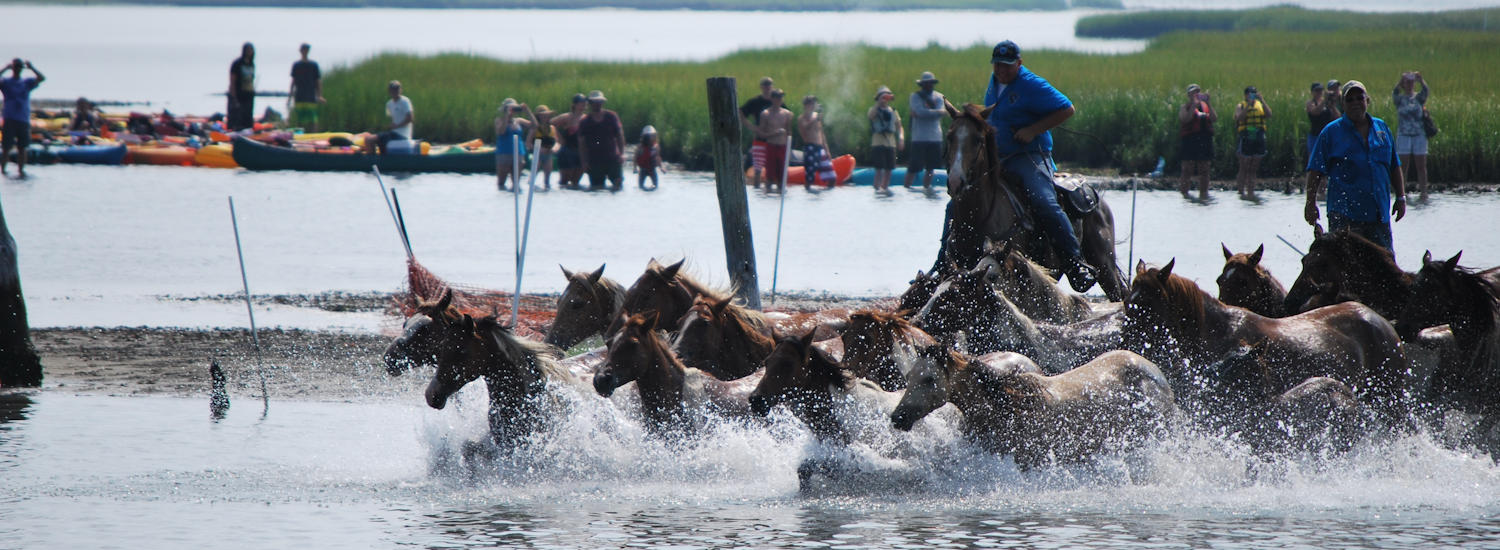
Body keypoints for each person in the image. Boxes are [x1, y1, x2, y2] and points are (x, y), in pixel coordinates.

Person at [980, 40, 1095, 292]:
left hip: (1030, 156)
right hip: (999, 159)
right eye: (997, 65)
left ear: (1019, 63)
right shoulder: (995, 81)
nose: (1001, 70)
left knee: (1044, 202)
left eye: (1007, 66)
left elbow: (1067, 108)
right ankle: (943, 263)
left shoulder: (1032, 84)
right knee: (962, 199)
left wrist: (1033, 130)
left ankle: (1076, 264)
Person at [1305, 80, 1405, 256]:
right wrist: (1310, 203)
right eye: (1349, 99)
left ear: (1368, 100)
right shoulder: (1331, 132)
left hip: (1378, 213)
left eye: (1360, 98)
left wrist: (1401, 197)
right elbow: (1315, 170)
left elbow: (1394, 165)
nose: (1355, 103)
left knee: (1385, 268)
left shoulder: (1381, 129)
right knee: (1347, 269)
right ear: (1342, 104)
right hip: (1345, 216)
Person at [1, 58, 43, 178]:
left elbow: (41, 78)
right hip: (9, 118)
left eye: (19, 67)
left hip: (23, 119)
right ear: (13, 68)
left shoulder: (26, 82)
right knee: (6, 147)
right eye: (15, 67)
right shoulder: (6, 82)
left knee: (22, 148)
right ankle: (3, 170)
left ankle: (21, 171)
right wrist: (5, 67)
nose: (17, 69)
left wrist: (32, 68)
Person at [905, 71, 947, 191]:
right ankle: (907, 188)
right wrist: (936, 113)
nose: (928, 85)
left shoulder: (939, 96)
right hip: (919, 137)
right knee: (913, 166)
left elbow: (940, 111)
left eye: (930, 83)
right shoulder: (915, 96)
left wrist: (927, 113)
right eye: (926, 83)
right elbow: (919, 111)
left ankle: (926, 188)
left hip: (935, 137)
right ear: (922, 84)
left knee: (931, 167)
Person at [1392, 71, 1430, 200]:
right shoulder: (1400, 99)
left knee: (1421, 165)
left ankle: (1423, 191)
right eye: (1407, 82)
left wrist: (1421, 80)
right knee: (1403, 166)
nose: (1409, 85)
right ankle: (1402, 191)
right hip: (1404, 135)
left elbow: (1426, 91)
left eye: (1411, 82)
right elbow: (1394, 93)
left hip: (1419, 134)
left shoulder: (1418, 98)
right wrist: (1400, 81)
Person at [577, 90, 624, 191]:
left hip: (612, 158)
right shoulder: (585, 122)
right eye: (594, 102)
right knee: (596, 188)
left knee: (618, 185)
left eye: (599, 102)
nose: (597, 104)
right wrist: (584, 162)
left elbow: (620, 136)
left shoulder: (611, 117)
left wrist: (621, 154)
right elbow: (581, 144)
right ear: (590, 103)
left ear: (602, 103)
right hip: (594, 161)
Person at [1177, 83, 1216, 201]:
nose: (1196, 94)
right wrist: (1193, 106)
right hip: (1190, 139)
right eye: (1194, 92)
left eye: (1198, 92)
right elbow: (1185, 119)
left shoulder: (1205, 106)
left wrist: (1208, 102)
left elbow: (1214, 118)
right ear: (1189, 94)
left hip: (1204, 139)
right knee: (1187, 168)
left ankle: (1203, 194)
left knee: (1204, 168)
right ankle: (1185, 195)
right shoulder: (1185, 107)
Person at [1233, 85, 1271, 199]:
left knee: (1254, 166)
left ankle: (1251, 192)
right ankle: (1240, 192)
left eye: (1254, 93)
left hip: (1258, 137)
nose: (1252, 96)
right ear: (1245, 95)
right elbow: (1239, 118)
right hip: (1245, 137)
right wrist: (1248, 105)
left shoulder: (1260, 105)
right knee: (1244, 165)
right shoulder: (1241, 105)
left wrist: (1262, 100)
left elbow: (1269, 114)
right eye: (1250, 94)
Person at [740, 76, 775, 189]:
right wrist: (751, 127)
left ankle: (769, 191)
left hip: (773, 140)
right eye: (765, 85)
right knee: (758, 168)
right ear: (761, 87)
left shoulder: (776, 101)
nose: (767, 87)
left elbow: (786, 114)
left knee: (771, 168)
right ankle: (757, 192)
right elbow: (741, 112)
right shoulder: (755, 101)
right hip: (760, 139)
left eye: (769, 85)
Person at [756, 88, 793, 193]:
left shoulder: (787, 114)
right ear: (772, 99)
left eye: (781, 97)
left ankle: (780, 194)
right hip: (771, 146)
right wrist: (774, 133)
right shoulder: (765, 114)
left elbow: (789, 133)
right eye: (777, 97)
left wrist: (789, 149)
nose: (779, 100)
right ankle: (768, 195)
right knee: (770, 177)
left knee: (782, 177)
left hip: (783, 146)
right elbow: (761, 133)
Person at [867, 85, 903, 194]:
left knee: (889, 169)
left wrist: (901, 138)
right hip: (878, 143)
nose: (885, 99)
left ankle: (884, 188)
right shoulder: (874, 110)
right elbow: (871, 116)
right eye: (883, 96)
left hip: (890, 143)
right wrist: (879, 103)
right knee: (879, 169)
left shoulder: (893, 111)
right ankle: (877, 189)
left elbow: (899, 126)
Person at [494, 98, 535, 192]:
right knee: (501, 182)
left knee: (516, 182)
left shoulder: (518, 121)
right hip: (504, 152)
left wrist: (527, 111)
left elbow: (534, 125)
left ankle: (514, 196)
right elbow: (501, 132)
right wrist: (506, 117)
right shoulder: (499, 120)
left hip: (518, 153)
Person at [797, 95, 836, 189]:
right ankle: (808, 193)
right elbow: (805, 127)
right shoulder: (802, 117)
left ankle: (825, 196)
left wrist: (827, 150)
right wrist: (815, 119)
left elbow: (821, 133)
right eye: (811, 103)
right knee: (810, 177)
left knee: (832, 177)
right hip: (810, 147)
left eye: (814, 103)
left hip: (820, 148)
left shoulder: (816, 116)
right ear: (806, 105)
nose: (814, 105)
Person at [553, 93, 588, 188]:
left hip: (581, 151)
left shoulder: (587, 118)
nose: (584, 105)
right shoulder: (567, 117)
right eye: (581, 103)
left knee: (576, 181)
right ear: (575, 104)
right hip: (567, 150)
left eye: (585, 103)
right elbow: (550, 124)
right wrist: (559, 138)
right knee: (564, 180)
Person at [371, 80, 413, 155]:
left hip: (402, 134)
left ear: (401, 90)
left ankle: (378, 160)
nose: (395, 91)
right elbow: (389, 120)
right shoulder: (389, 104)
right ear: (389, 91)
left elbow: (410, 118)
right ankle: (379, 159)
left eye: (397, 89)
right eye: (393, 89)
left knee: (370, 139)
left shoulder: (405, 101)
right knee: (373, 138)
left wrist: (397, 126)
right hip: (393, 133)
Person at [289, 43, 323, 132]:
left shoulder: (313, 65)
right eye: (303, 49)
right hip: (299, 96)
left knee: (313, 119)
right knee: (299, 119)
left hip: (311, 96)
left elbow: (318, 81)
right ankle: (299, 137)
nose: (305, 51)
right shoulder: (296, 65)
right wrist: (290, 97)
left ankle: (314, 136)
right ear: (301, 51)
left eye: (307, 49)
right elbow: (293, 81)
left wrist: (319, 95)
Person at [1305, 81, 1338, 159]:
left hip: (1328, 135)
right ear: (1312, 92)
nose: (1319, 92)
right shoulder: (1310, 103)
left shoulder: (1327, 103)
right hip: (1315, 135)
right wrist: (1324, 101)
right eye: (1317, 90)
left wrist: (1332, 107)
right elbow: (1315, 112)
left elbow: (1337, 117)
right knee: (1313, 159)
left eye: (1321, 90)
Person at [228, 43, 256, 131]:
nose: (249, 52)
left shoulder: (251, 64)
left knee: (247, 119)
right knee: (237, 119)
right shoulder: (237, 63)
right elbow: (232, 81)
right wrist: (234, 97)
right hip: (239, 94)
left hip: (249, 94)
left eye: (251, 50)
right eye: (248, 50)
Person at [532, 105, 557, 189]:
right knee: (533, 178)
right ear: (538, 116)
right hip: (537, 155)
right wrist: (538, 149)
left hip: (548, 154)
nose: (544, 117)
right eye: (542, 115)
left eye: (546, 115)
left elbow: (557, 142)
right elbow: (528, 143)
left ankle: (547, 192)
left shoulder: (552, 128)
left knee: (547, 181)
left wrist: (554, 148)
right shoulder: (535, 128)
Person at [634, 125, 663, 191]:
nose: (652, 137)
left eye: (653, 135)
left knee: (655, 186)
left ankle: (652, 188)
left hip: (652, 169)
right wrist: (635, 168)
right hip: (643, 169)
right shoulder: (640, 147)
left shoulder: (656, 147)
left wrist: (661, 168)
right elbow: (635, 157)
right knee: (640, 187)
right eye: (651, 136)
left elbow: (658, 157)